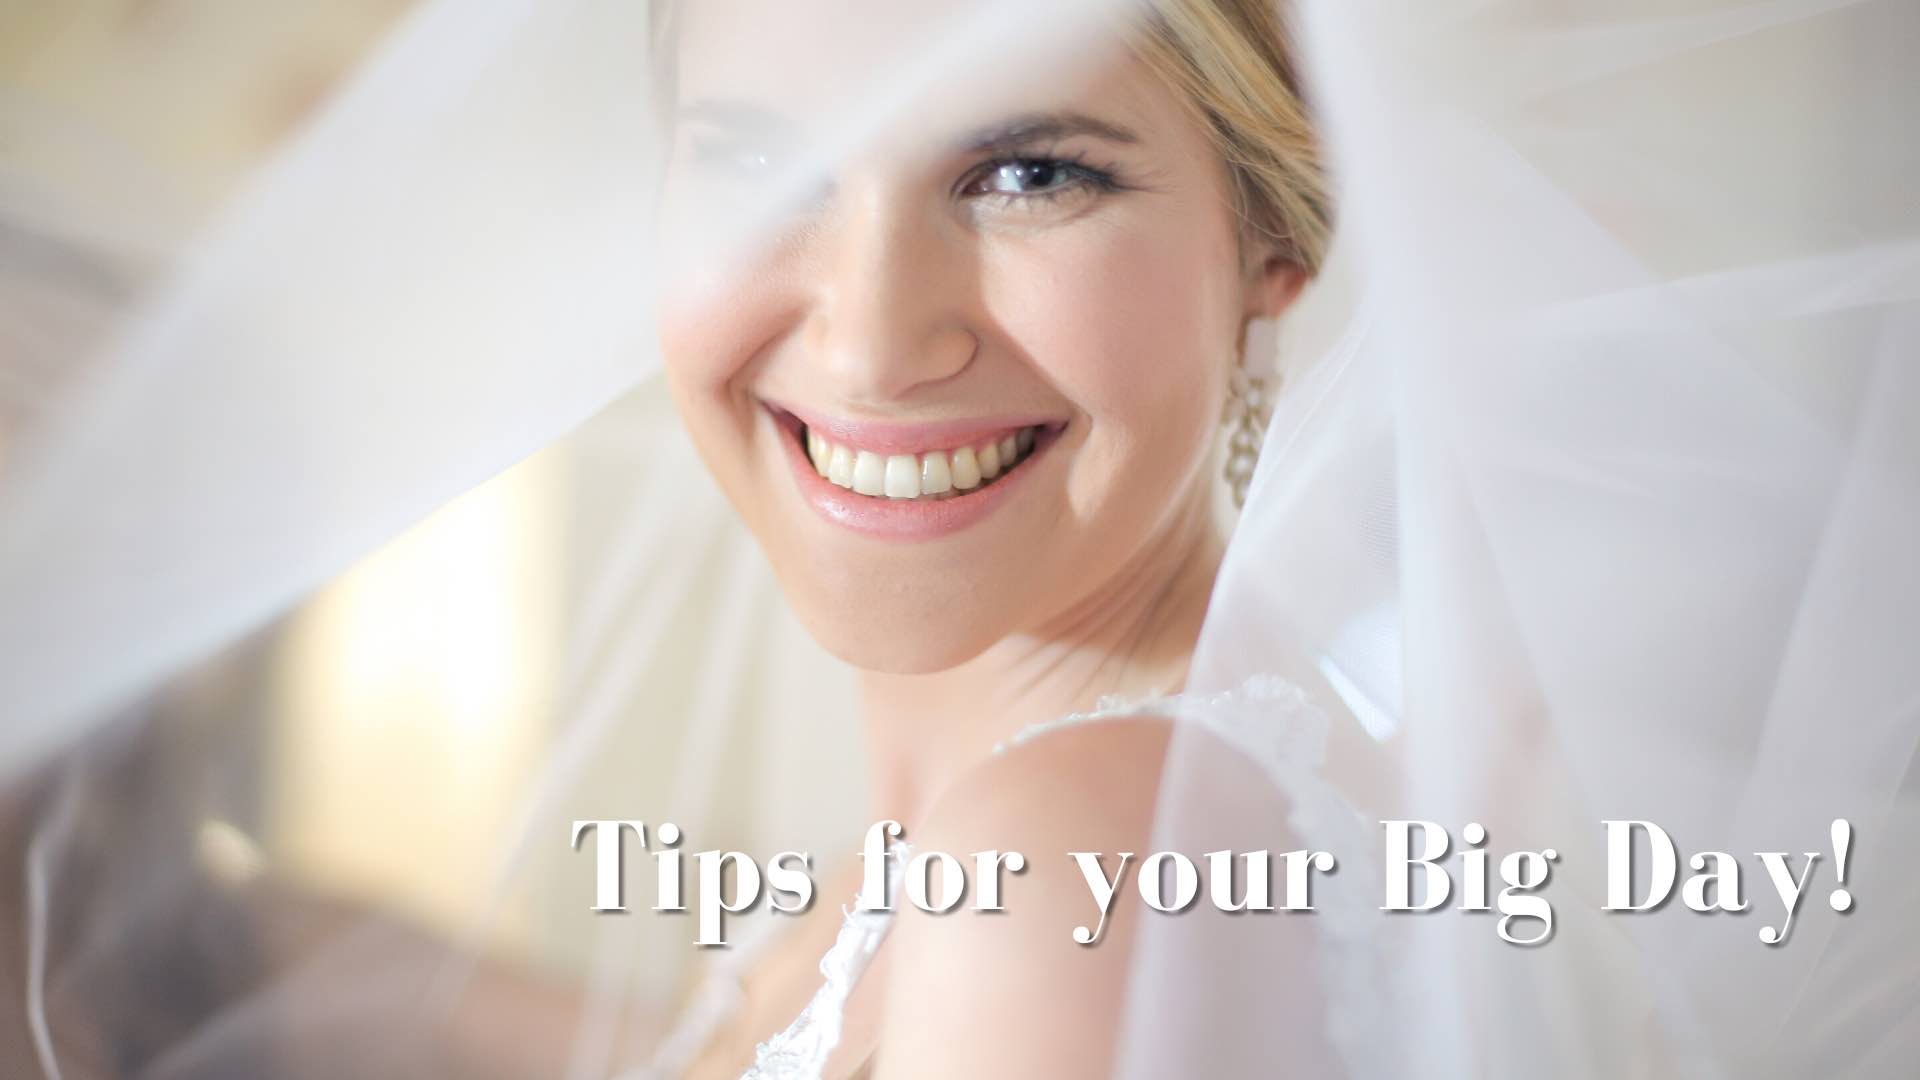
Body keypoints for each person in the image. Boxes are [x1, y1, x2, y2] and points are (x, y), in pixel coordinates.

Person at [644, 2, 1330, 1076]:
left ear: (1273, 241)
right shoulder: (927, 879)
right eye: (763, 159)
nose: (871, 348)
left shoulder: (1053, 881)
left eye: (1031, 176)